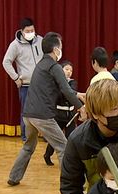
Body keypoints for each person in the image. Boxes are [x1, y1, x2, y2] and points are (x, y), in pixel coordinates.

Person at [8, 32, 84, 186]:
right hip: (42, 116)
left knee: (28, 147)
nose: (61, 50)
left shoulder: (41, 65)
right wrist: (81, 107)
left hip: (28, 115)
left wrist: (78, 94)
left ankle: (13, 177)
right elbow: (65, 90)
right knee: (63, 146)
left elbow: (58, 88)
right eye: (60, 47)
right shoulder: (54, 66)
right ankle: (70, 183)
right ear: (56, 49)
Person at [2, 17, 43, 141]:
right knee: (26, 113)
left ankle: (44, 134)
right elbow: (6, 62)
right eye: (28, 31)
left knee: (44, 110)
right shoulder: (15, 45)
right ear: (22, 31)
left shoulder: (41, 40)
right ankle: (26, 137)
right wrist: (16, 78)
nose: (31, 33)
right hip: (26, 85)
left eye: (33, 30)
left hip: (41, 83)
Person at [44, 60, 77, 166]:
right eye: (66, 69)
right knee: (55, 138)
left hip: (70, 115)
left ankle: (68, 159)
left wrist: (66, 92)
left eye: (71, 70)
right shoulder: (55, 83)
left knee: (70, 138)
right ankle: (47, 155)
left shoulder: (73, 82)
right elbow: (58, 96)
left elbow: (71, 94)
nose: (69, 72)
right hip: (59, 114)